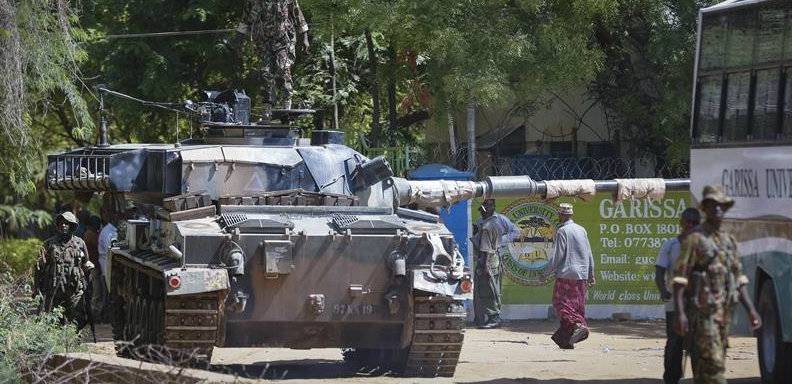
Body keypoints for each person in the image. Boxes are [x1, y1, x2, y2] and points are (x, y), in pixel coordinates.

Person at [672, 185, 762, 384]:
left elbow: (739, 279)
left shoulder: (729, 241)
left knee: (708, 368)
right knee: (715, 367)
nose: (718, 210)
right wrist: (681, 314)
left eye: (721, 206)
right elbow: (680, 280)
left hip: (724, 314)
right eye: (713, 206)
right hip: (703, 315)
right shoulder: (695, 239)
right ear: (705, 208)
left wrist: (752, 311)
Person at [655, 207, 701, 384]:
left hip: (698, 303)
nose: (690, 225)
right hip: (675, 303)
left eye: (694, 222)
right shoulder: (671, 245)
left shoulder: (704, 247)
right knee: (675, 342)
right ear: (681, 223)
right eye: (687, 221)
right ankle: (671, 378)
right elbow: (659, 271)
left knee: (698, 345)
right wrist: (663, 290)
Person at [543, 202, 594, 349]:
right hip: (581, 275)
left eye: (559, 214)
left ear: (562, 215)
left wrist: (546, 272)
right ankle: (566, 341)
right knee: (576, 305)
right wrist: (591, 273)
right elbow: (588, 253)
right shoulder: (581, 230)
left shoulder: (563, 231)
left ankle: (578, 326)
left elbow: (557, 255)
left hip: (566, 273)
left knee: (561, 304)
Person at [34, 211, 94, 329]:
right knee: (54, 323)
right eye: (61, 223)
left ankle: (73, 345)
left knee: (78, 321)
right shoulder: (49, 244)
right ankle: (58, 346)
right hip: (54, 292)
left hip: (74, 290)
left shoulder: (80, 243)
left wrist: (88, 268)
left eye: (67, 223)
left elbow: (86, 263)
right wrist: (36, 288)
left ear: (72, 226)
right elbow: (38, 268)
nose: (63, 226)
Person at [246, 0, 309, 109]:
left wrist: (305, 38)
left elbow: (298, 15)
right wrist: (239, 39)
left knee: (283, 69)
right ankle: (268, 105)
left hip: (283, 40)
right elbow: (246, 19)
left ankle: (286, 103)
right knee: (265, 72)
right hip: (264, 41)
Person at [472, 199, 505, 329]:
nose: (481, 213)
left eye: (483, 211)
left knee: (487, 290)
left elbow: (485, 248)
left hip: (487, 261)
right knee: (494, 289)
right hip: (495, 260)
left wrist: (484, 266)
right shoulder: (495, 223)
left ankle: (494, 317)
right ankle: (491, 317)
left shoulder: (486, 227)